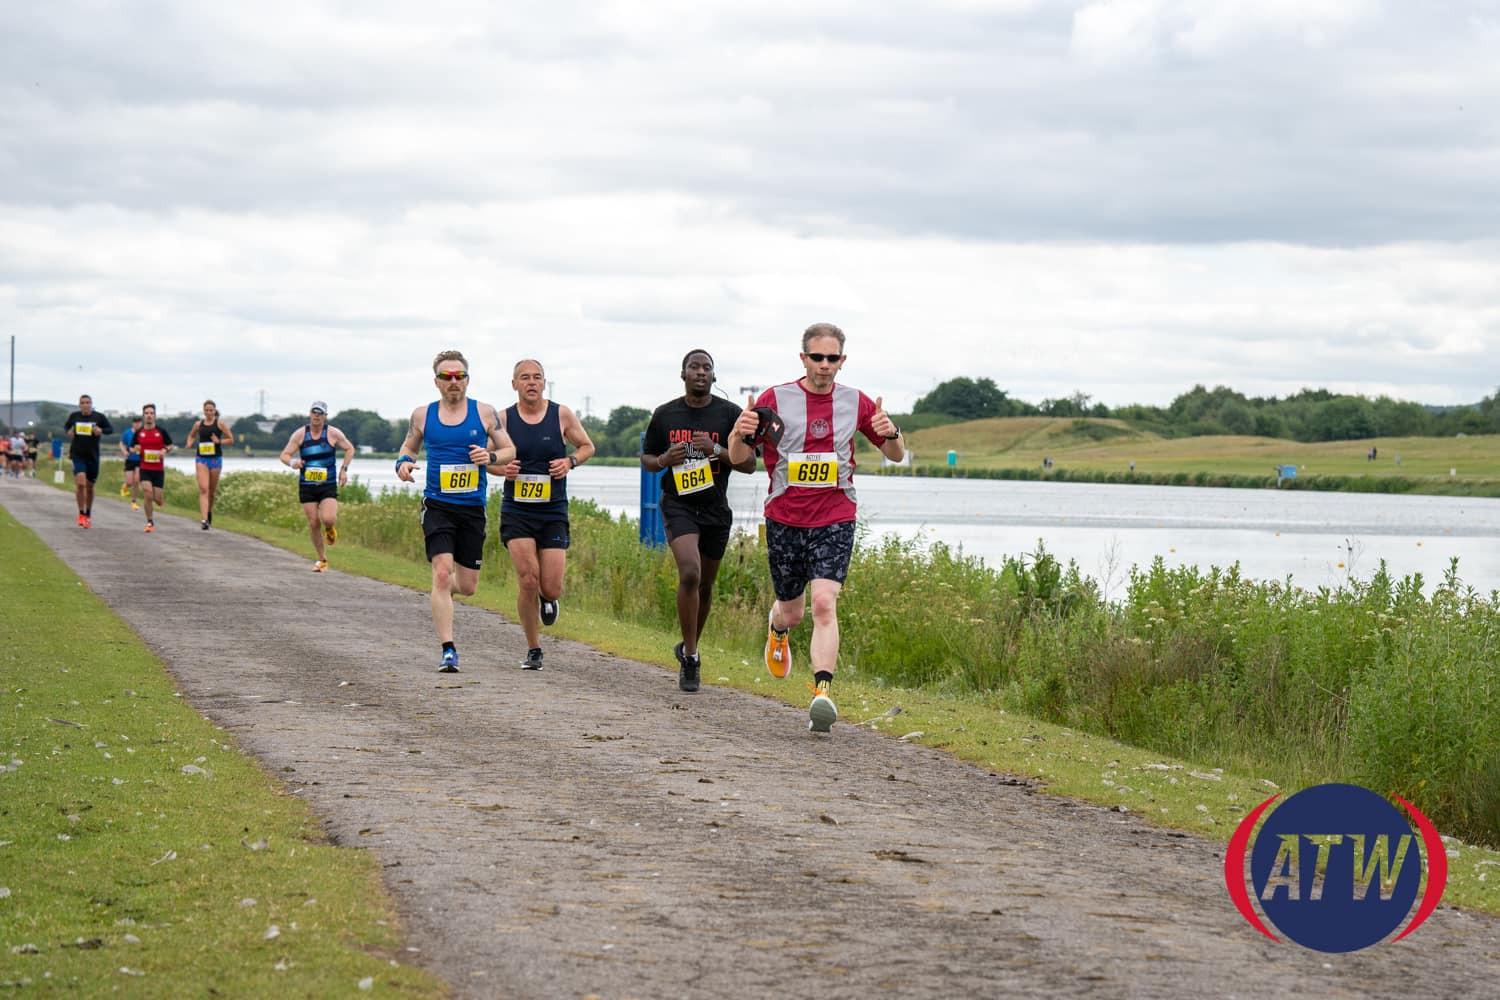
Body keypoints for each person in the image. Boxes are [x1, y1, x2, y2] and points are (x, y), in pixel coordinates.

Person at [726, 323, 905, 732]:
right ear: (803, 358)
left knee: (825, 602)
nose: (825, 366)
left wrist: (890, 432)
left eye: (833, 358)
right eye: (817, 357)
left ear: (843, 361)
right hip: (785, 518)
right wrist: (741, 432)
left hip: (836, 515)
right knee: (793, 611)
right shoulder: (776, 398)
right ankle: (777, 629)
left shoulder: (856, 402)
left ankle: (821, 693)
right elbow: (739, 458)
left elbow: (896, 454)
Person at [642, 349, 757, 691]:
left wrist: (718, 450)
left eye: (707, 367)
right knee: (689, 573)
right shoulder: (665, 415)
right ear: (683, 374)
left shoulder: (730, 415)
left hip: (714, 509)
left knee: (705, 585)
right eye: (694, 367)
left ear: (714, 377)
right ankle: (691, 657)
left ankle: (689, 643)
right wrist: (664, 457)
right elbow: (648, 458)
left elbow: (750, 463)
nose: (701, 372)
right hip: (677, 503)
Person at [394, 350, 516, 673]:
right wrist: (403, 464)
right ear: (436, 381)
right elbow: (408, 448)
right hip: (437, 506)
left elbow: (509, 450)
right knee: (442, 572)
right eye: (446, 377)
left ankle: (442, 592)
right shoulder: (422, 415)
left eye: (458, 376)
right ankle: (448, 649)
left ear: (467, 380)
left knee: (468, 585)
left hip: (472, 509)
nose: (453, 382)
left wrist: (489, 458)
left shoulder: (486, 413)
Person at [496, 360, 594, 671]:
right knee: (528, 579)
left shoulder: (561, 414)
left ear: (544, 383)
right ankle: (533, 648)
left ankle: (548, 599)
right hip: (517, 510)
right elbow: (486, 459)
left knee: (550, 586)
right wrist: (502, 469)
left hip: (552, 509)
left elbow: (588, 446)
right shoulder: (502, 419)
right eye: (524, 378)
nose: (531, 383)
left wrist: (570, 462)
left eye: (537, 377)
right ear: (514, 384)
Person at [279, 401, 356, 572]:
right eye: (314, 412)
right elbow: (284, 455)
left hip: (327, 484)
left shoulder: (333, 433)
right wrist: (293, 462)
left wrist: (343, 470)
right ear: (310, 414)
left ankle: (329, 529)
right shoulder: (300, 434)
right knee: (314, 522)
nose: (316, 416)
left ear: (325, 417)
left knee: (328, 519)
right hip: (307, 485)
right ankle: (322, 559)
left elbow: (350, 449)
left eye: (320, 413)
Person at [63, 395, 115, 527]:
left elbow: (110, 430)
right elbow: (66, 427)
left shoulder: (99, 417)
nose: (85, 405)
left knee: (90, 487)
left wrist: (101, 430)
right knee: (80, 483)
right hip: (78, 454)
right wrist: (69, 431)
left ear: (91, 404)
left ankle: (88, 513)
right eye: (83, 403)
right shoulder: (74, 416)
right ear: (79, 405)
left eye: (88, 402)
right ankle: (81, 514)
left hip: (93, 456)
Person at [185, 400, 234, 530]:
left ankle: (209, 512)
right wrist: (189, 443)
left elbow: (231, 439)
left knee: (211, 492)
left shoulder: (220, 424)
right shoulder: (198, 424)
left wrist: (219, 441)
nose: (208, 412)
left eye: (211, 410)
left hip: (215, 460)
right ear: (203, 411)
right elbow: (191, 436)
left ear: (214, 411)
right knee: (204, 489)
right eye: (206, 410)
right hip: (201, 459)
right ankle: (204, 519)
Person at [133, 404, 174, 533]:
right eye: (147, 413)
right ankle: (149, 522)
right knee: (148, 493)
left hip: (158, 470)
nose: (149, 415)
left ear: (155, 416)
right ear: (143, 415)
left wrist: (165, 450)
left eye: (151, 413)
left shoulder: (161, 431)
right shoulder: (139, 432)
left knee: (157, 499)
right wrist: (136, 449)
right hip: (145, 468)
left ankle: (160, 500)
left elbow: (171, 445)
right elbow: (132, 447)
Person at [119, 415, 143, 509]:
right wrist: (124, 451)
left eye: (139, 422)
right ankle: (124, 487)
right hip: (130, 459)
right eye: (135, 422)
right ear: (132, 423)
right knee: (129, 482)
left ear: (141, 423)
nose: (137, 424)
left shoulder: (143, 433)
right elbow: (122, 443)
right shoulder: (127, 433)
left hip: (140, 460)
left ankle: (134, 501)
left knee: (137, 480)